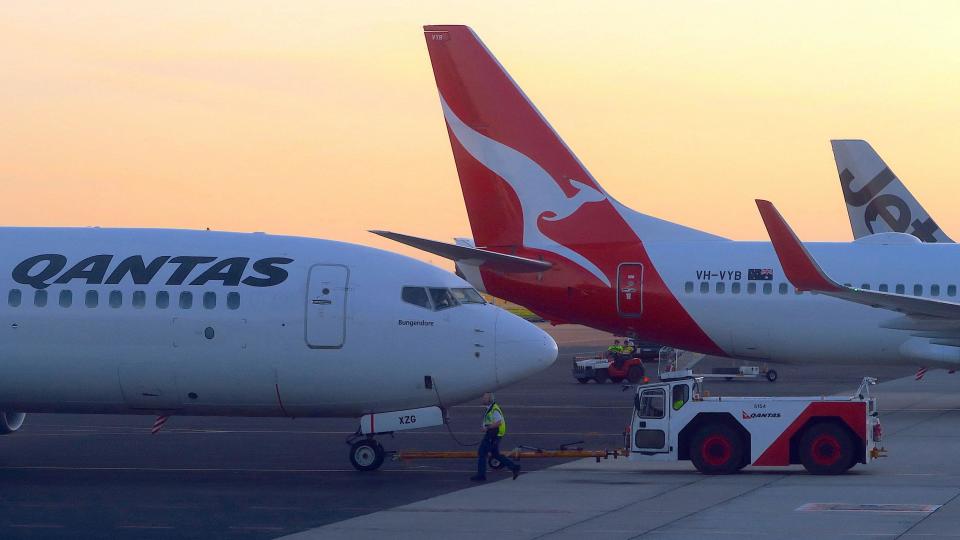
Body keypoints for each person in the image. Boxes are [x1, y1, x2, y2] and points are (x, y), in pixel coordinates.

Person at [471, 392, 520, 482]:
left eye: (485, 398)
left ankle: (481, 475)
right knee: (495, 454)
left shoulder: (494, 409)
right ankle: (514, 467)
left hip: (493, 434)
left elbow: (499, 422)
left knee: (482, 452)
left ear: (490, 399)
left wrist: (486, 428)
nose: (483, 399)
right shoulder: (491, 408)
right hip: (494, 434)